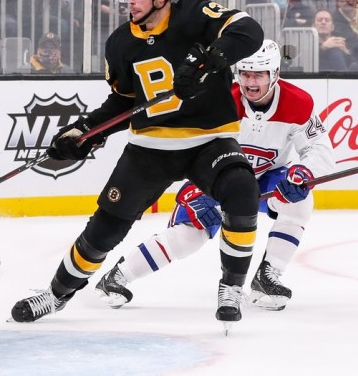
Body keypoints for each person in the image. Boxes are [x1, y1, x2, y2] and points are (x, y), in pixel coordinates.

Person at [10, 0, 264, 326]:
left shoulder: (195, 14)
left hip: (210, 139)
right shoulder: (120, 43)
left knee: (243, 191)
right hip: (151, 149)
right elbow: (124, 103)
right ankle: (57, 294)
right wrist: (83, 131)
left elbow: (249, 31)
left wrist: (209, 61)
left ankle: (232, 287)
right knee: (104, 230)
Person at [97, 40, 336, 312]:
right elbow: (186, 149)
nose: (250, 82)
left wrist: (303, 172)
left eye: (258, 74)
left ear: (275, 74)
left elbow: (319, 148)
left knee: (300, 200)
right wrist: (194, 189)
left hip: (266, 178)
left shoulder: (298, 103)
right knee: (189, 238)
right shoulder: (221, 101)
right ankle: (118, 275)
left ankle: (268, 276)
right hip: (218, 179)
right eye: (245, 74)